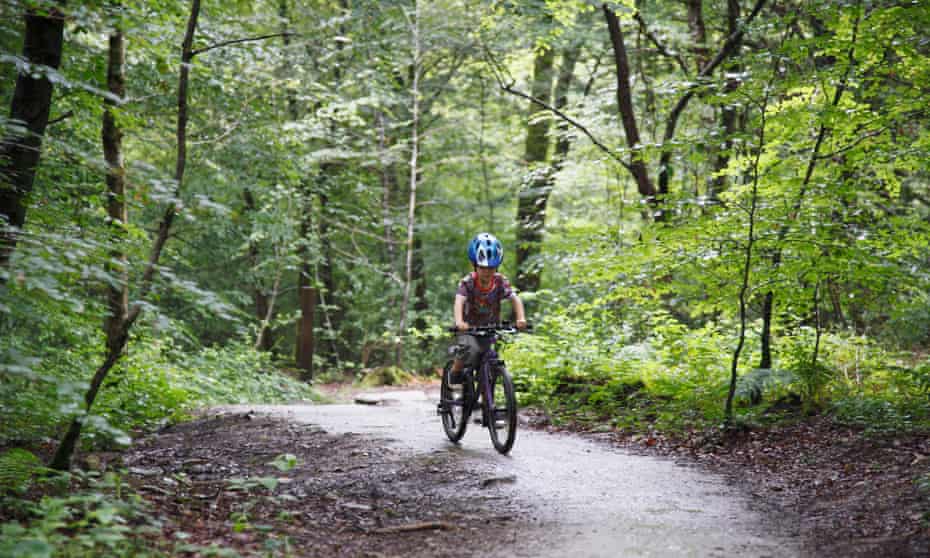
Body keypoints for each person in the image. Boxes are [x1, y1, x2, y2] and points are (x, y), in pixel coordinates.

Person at [449, 233, 527, 381]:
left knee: (489, 362)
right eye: (483, 268)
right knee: (469, 350)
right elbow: (459, 301)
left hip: (490, 328)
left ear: (496, 267)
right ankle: (455, 372)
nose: (487, 272)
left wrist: (521, 318)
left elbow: (515, 298)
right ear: (475, 265)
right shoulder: (468, 282)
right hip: (469, 328)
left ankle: (487, 402)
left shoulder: (500, 281)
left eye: (491, 268)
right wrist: (460, 322)